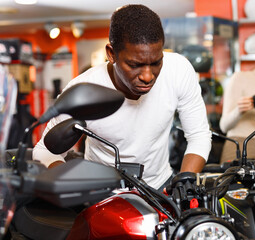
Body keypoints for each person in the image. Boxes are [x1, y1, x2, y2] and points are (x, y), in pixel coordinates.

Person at [32, 4, 212, 191]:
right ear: (111, 54)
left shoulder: (178, 70)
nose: (148, 76)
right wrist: (75, 185)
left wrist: (184, 184)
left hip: (160, 188)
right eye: (135, 65)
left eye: (156, 62)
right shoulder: (83, 91)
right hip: (102, 195)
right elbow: (44, 151)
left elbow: (199, 135)